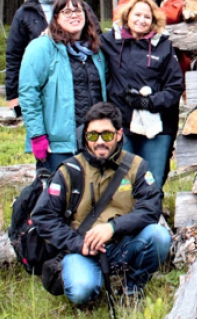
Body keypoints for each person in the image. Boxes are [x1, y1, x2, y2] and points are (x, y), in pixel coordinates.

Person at [31, 102, 170, 304]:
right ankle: (94, 287)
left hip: (123, 243)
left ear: (119, 134)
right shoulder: (68, 171)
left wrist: (113, 228)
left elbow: (151, 207)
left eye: (106, 135)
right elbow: (43, 217)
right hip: (82, 249)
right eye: (92, 135)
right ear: (85, 136)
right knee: (81, 291)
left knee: (160, 237)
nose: (99, 142)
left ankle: (132, 286)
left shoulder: (136, 166)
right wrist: (78, 244)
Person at [101, 0, 184, 189]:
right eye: (137, 14)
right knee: (123, 181)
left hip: (157, 126)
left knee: (151, 179)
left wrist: (149, 102)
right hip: (121, 124)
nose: (141, 20)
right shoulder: (110, 41)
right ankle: (127, 218)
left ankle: (153, 216)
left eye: (147, 17)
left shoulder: (163, 45)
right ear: (127, 15)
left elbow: (175, 87)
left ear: (154, 21)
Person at [19, 0, 107, 171]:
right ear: (56, 18)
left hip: (95, 140)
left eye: (78, 10)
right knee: (60, 197)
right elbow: (29, 93)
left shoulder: (96, 51)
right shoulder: (42, 47)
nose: (74, 15)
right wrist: (37, 136)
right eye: (67, 11)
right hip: (59, 145)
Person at [6, 0, 97, 118]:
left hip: (79, 86)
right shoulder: (24, 13)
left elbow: (97, 39)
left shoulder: (79, 7)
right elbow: (14, 55)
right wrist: (13, 95)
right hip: (43, 86)